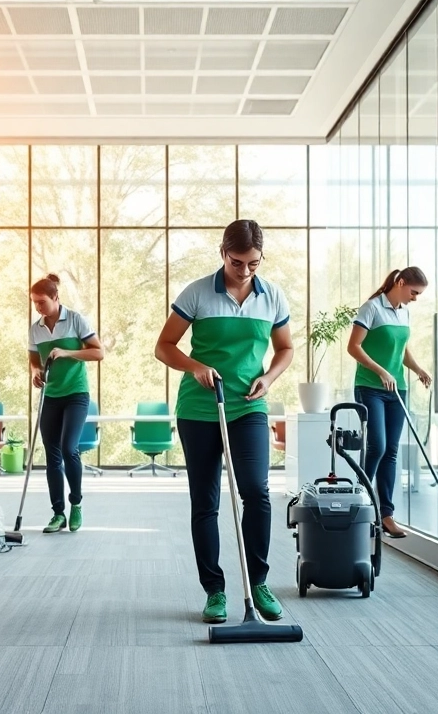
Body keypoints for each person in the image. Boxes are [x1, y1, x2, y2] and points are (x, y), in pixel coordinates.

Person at [154, 219, 294, 625]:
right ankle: (215, 590)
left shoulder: (273, 297)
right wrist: (195, 366)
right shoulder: (197, 292)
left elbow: (285, 348)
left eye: (253, 263)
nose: (246, 271)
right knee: (207, 501)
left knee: (256, 492)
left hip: (248, 407)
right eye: (237, 262)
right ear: (223, 253)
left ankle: (259, 583)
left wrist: (268, 377)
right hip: (200, 409)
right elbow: (164, 346)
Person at [346, 266, 433, 539]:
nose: (415, 298)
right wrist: (381, 371)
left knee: (391, 451)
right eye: (414, 292)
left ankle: (386, 515)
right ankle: (360, 502)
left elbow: (402, 349)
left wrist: (417, 369)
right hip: (370, 387)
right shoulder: (371, 308)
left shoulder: (404, 313)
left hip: (397, 389)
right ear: (400, 282)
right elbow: (354, 347)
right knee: (378, 446)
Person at [28, 274, 105, 534]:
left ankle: (76, 504)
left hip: (76, 394)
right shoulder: (35, 328)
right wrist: (35, 372)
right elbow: (33, 360)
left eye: (42, 302)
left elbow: (98, 352)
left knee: (68, 447)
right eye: (34, 303)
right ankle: (57, 513)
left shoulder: (74, 320)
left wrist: (67, 352)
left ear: (55, 298)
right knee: (52, 455)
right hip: (51, 396)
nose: (38, 307)